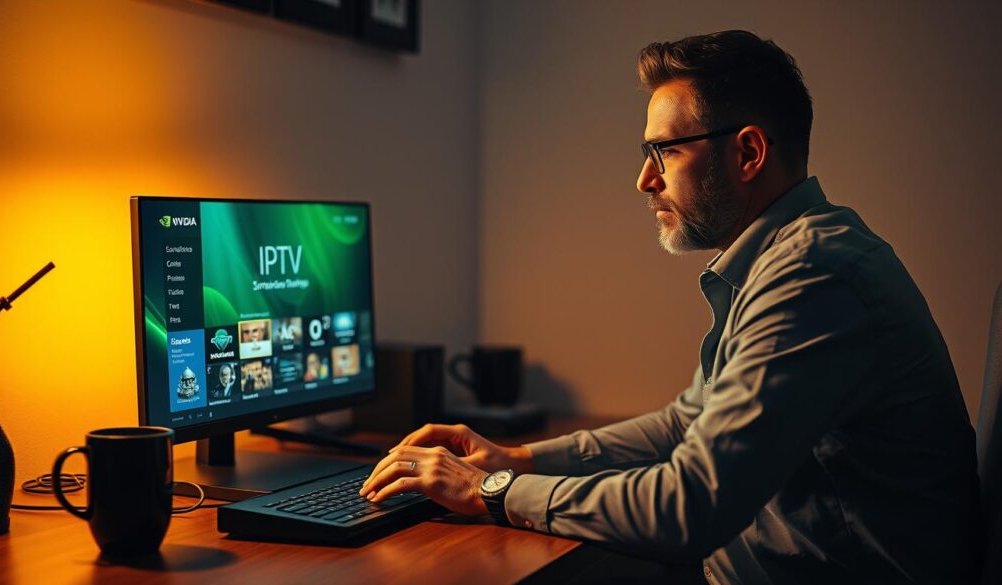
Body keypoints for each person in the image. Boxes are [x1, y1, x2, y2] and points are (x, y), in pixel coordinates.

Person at [359, 30, 981, 583]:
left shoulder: (812, 273)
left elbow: (691, 505)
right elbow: (687, 422)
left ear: (747, 154)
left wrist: (493, 489)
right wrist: (517, 458)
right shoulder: (783, 257)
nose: (644, 180)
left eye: (665, 151)